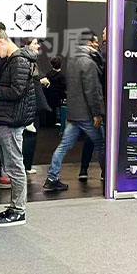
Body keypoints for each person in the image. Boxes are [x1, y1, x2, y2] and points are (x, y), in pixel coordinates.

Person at [0, 24, 38, 227]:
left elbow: (16, 91)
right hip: (8, 118)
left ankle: (19, 210)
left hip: (11, 120)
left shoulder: (18, 61)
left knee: (14, 165)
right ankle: (15, 207)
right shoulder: (14, 60)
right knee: (12, 165)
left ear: (1, 41)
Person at [45, 31, 105, 192]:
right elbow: (92, 91)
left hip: (73, 113)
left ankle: (52, 177)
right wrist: (96, 114)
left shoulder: (72, 61)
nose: (97, 44)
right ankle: (108, 176)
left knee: (63, 146)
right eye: (96, 41)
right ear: (90, 43)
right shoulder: (89, 63)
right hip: (86, 114)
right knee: (101, 144)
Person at [78, 26, 108, 180]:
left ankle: (86, 169)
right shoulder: (99, 55)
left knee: (94, 138)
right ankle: (102, 171)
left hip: (103, 102)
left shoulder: (102, 54)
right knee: (98, 138)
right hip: (101, 102)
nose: (103, 34)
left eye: (104, 31)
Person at [20, 37, 49, 176]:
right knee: (29, 136)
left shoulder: (29, 61)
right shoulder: (25, 61)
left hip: (31, 105)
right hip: (29, 105)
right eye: (35, 43)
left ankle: (26, 165)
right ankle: (25, 166)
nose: (38, 46)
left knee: (29, 135)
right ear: (27, 46)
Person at [43, 56, 66, 126]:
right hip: (59, 97)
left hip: (49, 96)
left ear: (51, 65)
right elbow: (64, 87)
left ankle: (50, 122)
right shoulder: (62, 76)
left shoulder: (48, 75)